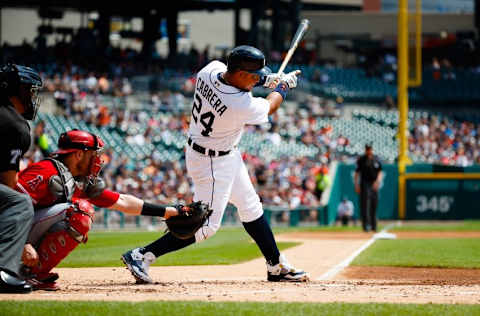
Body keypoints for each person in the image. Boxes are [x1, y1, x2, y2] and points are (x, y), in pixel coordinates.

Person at [122, 45, 309, 283]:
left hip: (220, 152)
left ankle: (276, 265)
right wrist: (282, 86)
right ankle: (142, 255)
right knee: (205, 225)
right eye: (253, 77)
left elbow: (240, 81)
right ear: (241, 74)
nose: (256, 81)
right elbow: (270, 106)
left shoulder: (210, 70)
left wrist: (266, 79)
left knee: (251, 206)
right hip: (212, 161)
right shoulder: (238, 104)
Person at [16, 129, 187, 290]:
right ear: (79, 154)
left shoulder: (74, 179)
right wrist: (22, 244)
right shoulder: (45, 171)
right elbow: (8, 206)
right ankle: (30, 273)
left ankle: (31, 273)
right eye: (93, 154)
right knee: (80, 211)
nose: (97, 160)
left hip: (20, 234)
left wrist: (171, 211)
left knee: (80, 211)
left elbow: (124, 202)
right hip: (9, 236)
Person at [0, 64, 43, 293]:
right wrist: (24, 241)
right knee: (19, 202)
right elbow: (7, 184)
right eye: (28, 89)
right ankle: (3, 270)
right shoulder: (13, 124)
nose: (32, 96)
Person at [354, 143, 383, 232]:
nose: (369, 150)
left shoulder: (376, 159)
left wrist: (377, 181)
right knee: (365, 206)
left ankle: (374, 226)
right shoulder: (362, 160)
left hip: (373, 184)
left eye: (370, 149)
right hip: (365, 184)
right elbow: (357, 173)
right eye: (367, 149)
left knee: (374, 204)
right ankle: (366, 226)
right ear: (365, 150)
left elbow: (380, 172)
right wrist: (356, 185)